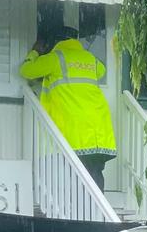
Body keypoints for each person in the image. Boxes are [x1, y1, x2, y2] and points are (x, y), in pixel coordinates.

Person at [20, 26, 116, 191]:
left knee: (73, 179)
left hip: (75, 130)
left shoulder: (55, 58)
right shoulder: (90, 59)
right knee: (94, 174)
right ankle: (96, 213)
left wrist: (35, 52)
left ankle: (80, 214)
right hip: (98, 128)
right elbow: (102, 71)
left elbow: (27, 71)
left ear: (55, 42)